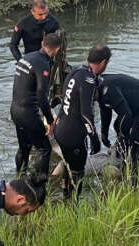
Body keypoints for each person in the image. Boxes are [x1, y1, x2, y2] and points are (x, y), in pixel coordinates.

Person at [54, 44, 111, 200]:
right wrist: (94, 138)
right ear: (104, 62)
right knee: (78, 171)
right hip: (72, 135)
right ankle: (74, 205)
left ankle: (65, 194)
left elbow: (61, 99)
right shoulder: (88, 80)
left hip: (61, 130)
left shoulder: (76, 71)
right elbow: (86, 114)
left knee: (68, 163)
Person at [10, 33, 61, 178]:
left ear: (42, 43)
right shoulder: (42, 64)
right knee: (44, 148)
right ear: (56, 50)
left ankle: (19, 178)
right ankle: (40, 184)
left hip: (15, 109)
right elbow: (41, 96)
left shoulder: (26, 57)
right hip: (28, 113)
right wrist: (50, 121)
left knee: (24, 147)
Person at [98, 74, 139, 187]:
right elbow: (105, 112)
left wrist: (121, 137)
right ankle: (124, 165)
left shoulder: (108, 89)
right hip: (134, 105)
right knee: (118, 126)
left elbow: (126, 115)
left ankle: (136, 181)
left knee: (136, 141)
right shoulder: (97, 89)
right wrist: (103, 134)